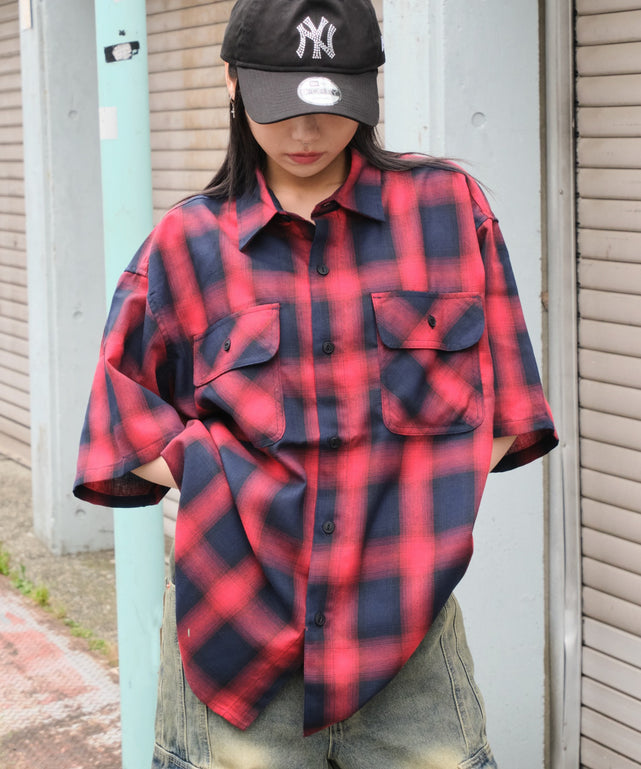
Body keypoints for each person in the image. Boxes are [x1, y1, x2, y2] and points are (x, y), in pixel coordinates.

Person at [74, 0, 558, 766]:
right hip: (235, 631)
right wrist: (222, 476)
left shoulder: (446, 210)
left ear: (367, 90)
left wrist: (416, 505)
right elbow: (117, 431)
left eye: (329, 108)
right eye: (281, 107)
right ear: (232, 81)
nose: (305, 134)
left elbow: (510, 410)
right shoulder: (186, 244)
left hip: (406, 637)